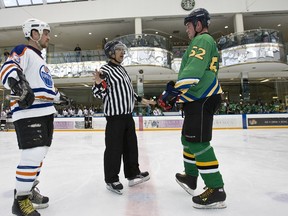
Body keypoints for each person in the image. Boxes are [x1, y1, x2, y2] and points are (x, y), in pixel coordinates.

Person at [158, 8, 226, 209]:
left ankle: (216, 189)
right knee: (187, 139)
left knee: (198, 143)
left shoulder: (202, 40)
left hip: (203, 97)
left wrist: (172, 93)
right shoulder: (200, 41)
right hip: (196, 96)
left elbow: (194, 70)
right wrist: (178, 94)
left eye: (188, 25)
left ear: (198, 24)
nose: (187, 29)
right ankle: (190, 177)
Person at [0, 18, 68, 216]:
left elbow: (46, 86)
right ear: (34, 34)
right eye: (45, 32)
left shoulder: (41, 60)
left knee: (40, 153)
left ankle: (28, 191)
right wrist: (16, 83)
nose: (49, 36)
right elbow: (8, 67)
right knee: (32, 154)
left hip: (46, 112)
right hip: (29, 112)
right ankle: (20, 201)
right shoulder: (23, 50)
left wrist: (59, 97)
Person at [92, 40, 154, 195]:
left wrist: (141, 100)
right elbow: (98, 93)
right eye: (119, 50)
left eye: (123, 50)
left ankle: (133, 174)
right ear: (111, 52)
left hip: (127, 116)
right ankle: (111, 179)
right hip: (115, 118)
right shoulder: (105, 70)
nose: (122, 52)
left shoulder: (122, 69)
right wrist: (99, 83)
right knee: (114, 149)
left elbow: (128, 90)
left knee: (130, 147)